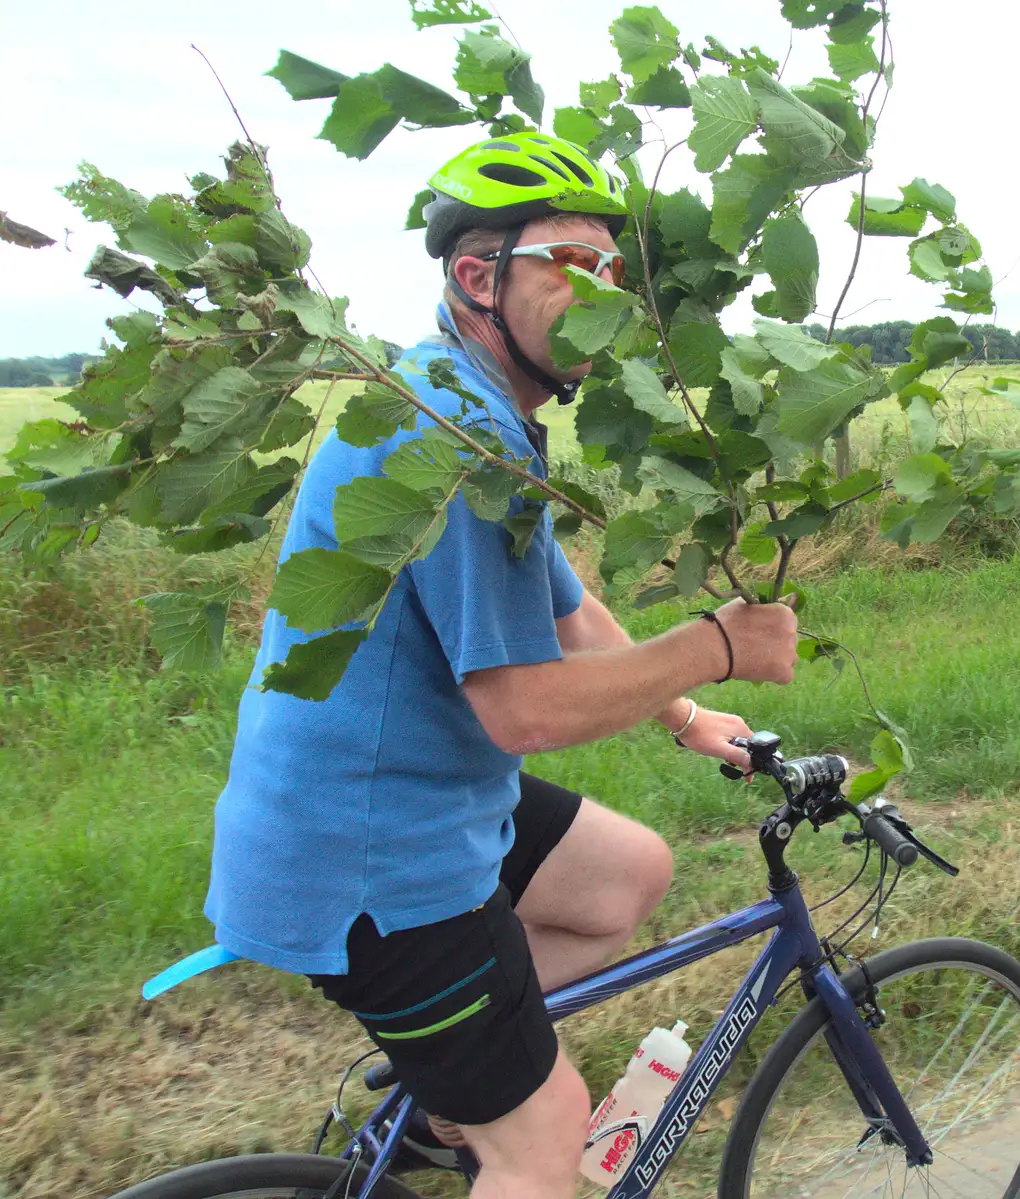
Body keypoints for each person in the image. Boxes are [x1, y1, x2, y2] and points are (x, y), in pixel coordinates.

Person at [203, 131, 800, 1199]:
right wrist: (718, 640)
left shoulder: (460, 403)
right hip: (372, 860)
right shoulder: (452, 434)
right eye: (572, 263)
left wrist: (685, 710)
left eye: (614, 269)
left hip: (398, 804)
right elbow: (520, 710)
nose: (604, 289)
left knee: (628, 874)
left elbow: (562, 597)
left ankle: (449, 1091)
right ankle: (488, 1108)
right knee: (547, 1135)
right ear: (480, 277)